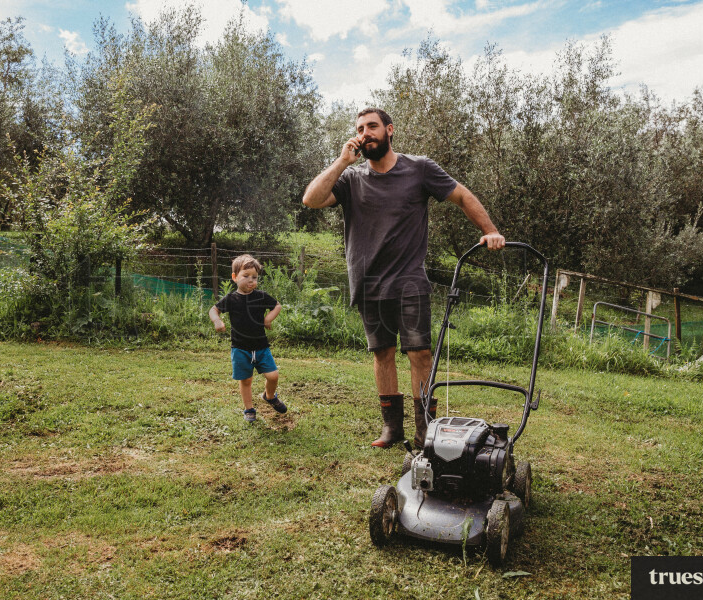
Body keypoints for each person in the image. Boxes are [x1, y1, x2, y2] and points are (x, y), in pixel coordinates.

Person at [301, 107, 505, 449]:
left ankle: (425, 431)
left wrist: (490, 230)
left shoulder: (419, 168)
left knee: (419, 354)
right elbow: (311, 199)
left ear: (390, 130)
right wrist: (342, 162)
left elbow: (461, 195)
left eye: (372, 126)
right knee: (382, 354)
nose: (365, 133)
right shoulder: (351, 180)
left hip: (410, 280)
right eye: (360, 128)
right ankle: (392, 428)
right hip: (367, 281)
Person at [209, 254, 287, 423]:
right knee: (246, 380)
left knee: (273, 376)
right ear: (234, 277)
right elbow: (213, 310)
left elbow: (277, 306)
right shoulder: (231, 299)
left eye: (254, 277)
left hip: (261, 347)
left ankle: (269, 396)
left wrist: (268, 319)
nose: (251, 280)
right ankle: (249, 409)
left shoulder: (261, 296)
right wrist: (217, 321)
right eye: (246, 276)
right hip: (240, 348)